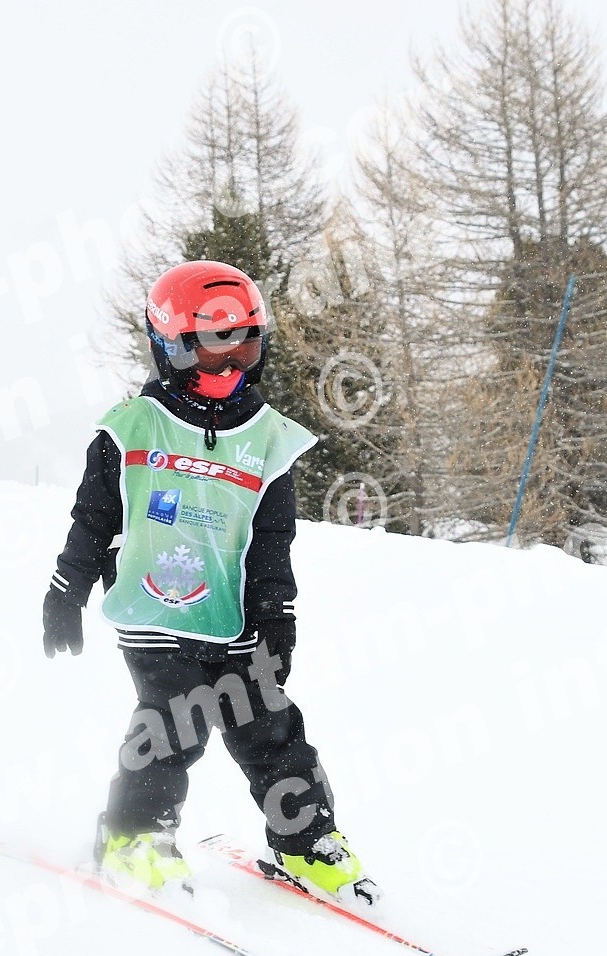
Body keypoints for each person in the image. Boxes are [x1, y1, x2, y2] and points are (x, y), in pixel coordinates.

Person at [42, 260, 380, 908]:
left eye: (244, 348)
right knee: (176, 718)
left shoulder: (267, 441)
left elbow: (272, 541)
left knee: (270, 726)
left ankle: (305, 838)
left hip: (234, 615)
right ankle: (133, 836)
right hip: (154, 608)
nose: (228, 366)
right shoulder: (131, 428)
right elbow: (93, 519)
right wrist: (66, 589)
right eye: (211, 349)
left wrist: (276, 616)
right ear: (170, 347)